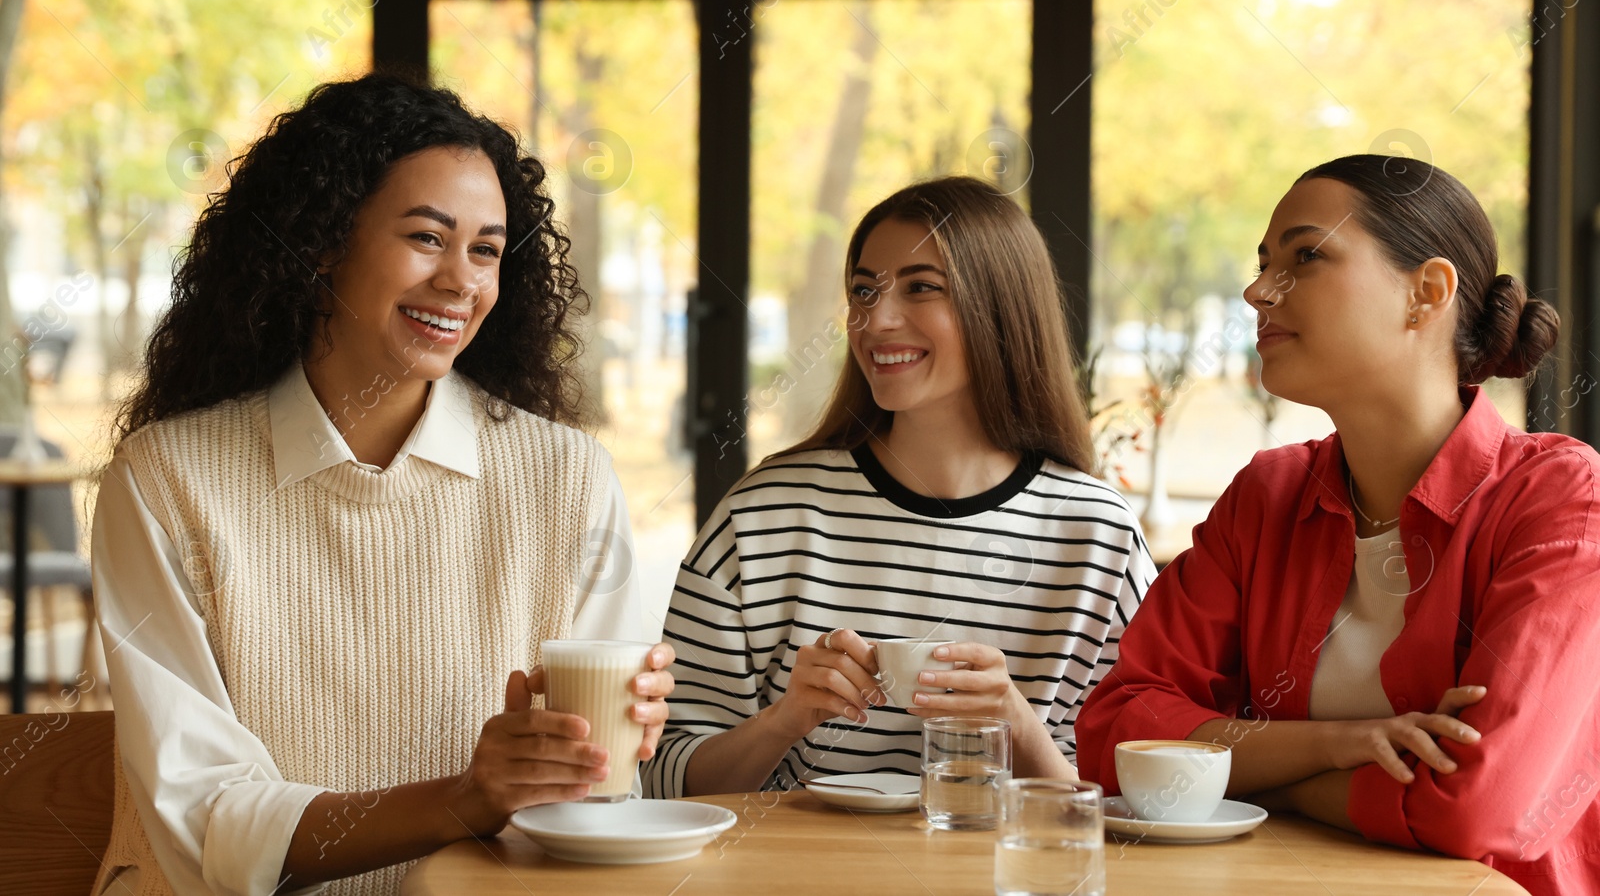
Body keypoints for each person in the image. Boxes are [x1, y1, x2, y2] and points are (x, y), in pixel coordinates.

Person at [89, 74, 675, 896]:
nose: (461, 281)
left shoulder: (567, 478)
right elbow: (208, 819)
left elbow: (597, 804)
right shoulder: (166, 480)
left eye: (485, 249)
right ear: (324, 239)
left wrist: (604, 746)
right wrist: (464, 799)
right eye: (427, 238)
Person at [1076, 154, 1600, 896]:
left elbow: (1476, 809)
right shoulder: (1267, 495)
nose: (1258, 289)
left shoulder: (1560, 497)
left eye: (1305, 255)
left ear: (1426, 293)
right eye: (1262, 264)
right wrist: (1340, 744)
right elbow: (1116, 731)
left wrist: (1273, 782)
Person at [643, 177, 1155, 797]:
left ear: (1001, 306)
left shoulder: (1099, 537)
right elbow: (664, 777)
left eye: (921, 287)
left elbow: (1135, 802)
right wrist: (785, 721)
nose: (875, 320)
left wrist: (1018, 724)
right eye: (864, 290)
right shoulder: (761, 517)